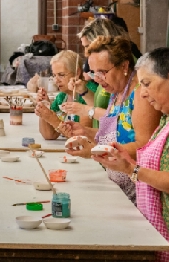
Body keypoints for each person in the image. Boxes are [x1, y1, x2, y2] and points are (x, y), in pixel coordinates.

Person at [90, 47, 169, 262]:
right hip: (165, 229)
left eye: (149, 84)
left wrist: (132, 170)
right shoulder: (168, 117)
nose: (143, 94)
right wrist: (124, 162)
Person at [66, 36, 162, 204]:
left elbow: (144, 146)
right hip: (118, 185)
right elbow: (120, 134)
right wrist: (86, 132)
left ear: (124, 66)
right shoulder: (117, 91)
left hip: (138, 190)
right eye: (93, 72)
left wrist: (95, 151)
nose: (97, 79)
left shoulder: (140, 94)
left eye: (102, 72)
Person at [63, 18, 133, 130]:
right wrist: (84, 91)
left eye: (87, 46)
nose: (86, 53)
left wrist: (86, 111)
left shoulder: (125, 73)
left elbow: (125, 120)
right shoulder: (106, 71)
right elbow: (100, 106)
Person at [34, 50, 92, 140]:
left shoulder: (88, 94)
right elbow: (49, 135)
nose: (56, 80)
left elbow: (83, 139)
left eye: (61, 75)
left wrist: (52, 119)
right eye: (54, 75)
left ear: (77, 73)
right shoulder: (62, 96)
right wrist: (44, 107)